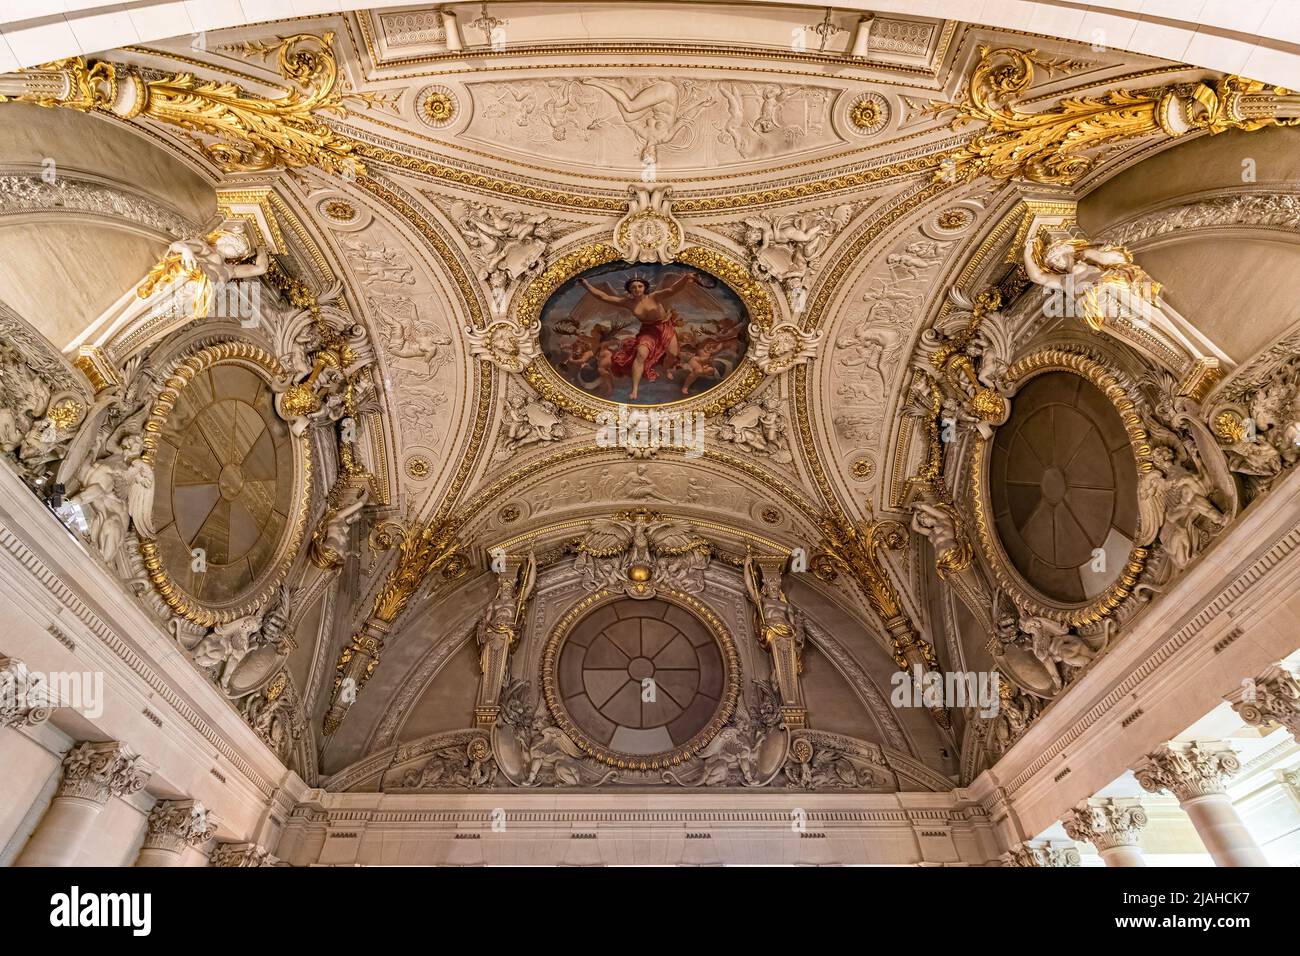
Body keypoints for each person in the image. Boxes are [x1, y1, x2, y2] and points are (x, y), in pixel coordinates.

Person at [578, 272, 699, 400]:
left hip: (665, 328)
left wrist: (685, 278)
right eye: (633, 287)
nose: (637, 289)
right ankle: (634, 389)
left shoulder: (654, 297)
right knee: (640, 354)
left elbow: (672, 289)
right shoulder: (628, 302)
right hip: (647, 331)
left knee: (673, 354)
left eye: (639, 286)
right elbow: (603, 296)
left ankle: (667, 369)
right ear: (629, 290)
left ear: (644, 287)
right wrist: (586, 285)